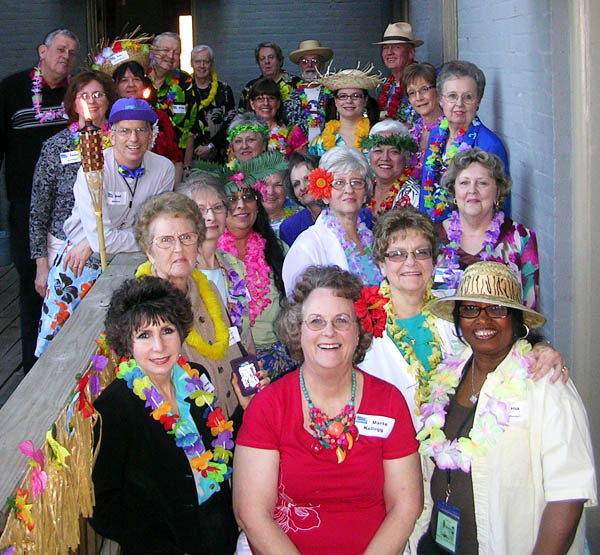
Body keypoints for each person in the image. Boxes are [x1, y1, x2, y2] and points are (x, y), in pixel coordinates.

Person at [233, 265, 423, 554]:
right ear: (297, 330)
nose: (329, 332)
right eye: (316, 321)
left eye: (342, 320)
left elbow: (406, 505)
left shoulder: (388, 402)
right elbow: (251, 513)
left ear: (360, 330)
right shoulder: (268, 407)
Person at [414, 261, 597, 553]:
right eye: (471, 309)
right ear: (459, 319)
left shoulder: (545, 383)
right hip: (438, 542)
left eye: (497, 309)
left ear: (515, 318)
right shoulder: (449, 374)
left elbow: (569, 493)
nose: (482, 320)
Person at [89, 276, 239, 553]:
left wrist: (246, 404)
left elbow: (221, 446)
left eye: (167, 330)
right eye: (144, 335)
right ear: (126, 342)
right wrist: (153, 541)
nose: (159, 346)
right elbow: (102, 503)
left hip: (218, 534)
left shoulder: (197, 378)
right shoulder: (114, 408)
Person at [35, 98, 174, 356]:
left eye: (141, 129)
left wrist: (99, 240)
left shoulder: (163, 169)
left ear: (151, 133)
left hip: (130, 266)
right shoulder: (92, 169)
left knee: (117, 349)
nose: (133, 138)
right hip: (80, 265)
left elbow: (158, 230)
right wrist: (98, 241)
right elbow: (110, 240)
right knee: (60, 349)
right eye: (124, 130)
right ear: (111, 133)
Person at [134, 192, 261, 419]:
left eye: (186, 238)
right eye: (166, 240)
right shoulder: (143, 309)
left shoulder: (208, 289)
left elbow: (236, 342)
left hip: (237, 412)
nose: (178, 249)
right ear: (148, 251)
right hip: (191, 431)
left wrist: (254, 388)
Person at [0, 28, 79, 372]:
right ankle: (33, 366)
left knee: (72, 280)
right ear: (42, 51)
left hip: (70, 208)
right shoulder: (12, 90)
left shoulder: (76, 94)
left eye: (72, 52)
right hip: (25, 206)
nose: (65, 57)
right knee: (34, 280)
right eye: (60, 49)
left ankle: (71, 359)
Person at [29, 70, 117, 299]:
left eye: (98, 94)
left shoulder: (121, 143)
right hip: (63, 244)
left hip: (111, 241)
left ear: (108, 99)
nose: (92, 101)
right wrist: (41, 266)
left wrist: (95, 239)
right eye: (84, 95)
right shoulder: (55, 147)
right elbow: (38, 209)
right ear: (73, 103)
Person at [433, 148, 539, 308]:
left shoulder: (521, 238)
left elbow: (528, 308)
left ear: (497, 191)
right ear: (453, 191)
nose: (472, 190)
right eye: (464, 182)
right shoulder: (431, 238)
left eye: (482, 183)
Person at [216, 167, 292, 378]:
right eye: (232, 198)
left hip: (279, 356)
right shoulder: (210, 256)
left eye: (248, 197)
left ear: (257, 206)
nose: (241, 205)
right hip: (228, 357)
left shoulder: (278, 249)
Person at [283, 146, 381, 293]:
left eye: (356, 182)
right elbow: (298, 307)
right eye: (339, 183)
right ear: (325, 194)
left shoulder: (372, 238)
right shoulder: (307, 246)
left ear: (365, 194)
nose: (349, 190)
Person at [420, 60, 510, 221]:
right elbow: (425, 188)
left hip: (468, 237)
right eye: (452, 96)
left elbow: (500, 206)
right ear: (441, 99)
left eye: (468, 97)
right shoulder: (435, 135)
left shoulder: (489, 145)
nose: (459, 104)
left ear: (478, 101)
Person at [91, 34, 184, 182]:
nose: (131, 85)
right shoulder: (105, 119)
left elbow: (176, 160)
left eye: (136, 79)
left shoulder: (159, 118)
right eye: (124, 80)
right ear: (115, 85)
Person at [177, 173, 253, 338]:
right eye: (200, 209)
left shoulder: (233, 264)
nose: (210, 217)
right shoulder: (179, 269)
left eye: (217, 207)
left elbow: (244, 327)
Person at [309, 65, 382, 156]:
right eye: (343, 96)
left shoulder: (378, 136)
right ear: (336, 101)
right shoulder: (319, 143)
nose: (349, 101)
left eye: (355, 96)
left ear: (365, 100)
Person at [148, 32, 195, 152]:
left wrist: (187, 165)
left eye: (176, 52)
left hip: (176, 157)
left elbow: (192, 128)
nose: (171, 56)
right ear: (153, 51)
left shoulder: (185, 82)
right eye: (166, 50)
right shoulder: (139, 79)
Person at [362, 119, 419, 217]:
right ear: (369, 155)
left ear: (405, 156)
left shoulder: (414, 195)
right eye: (378, 151)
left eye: (394, 152)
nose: (385, 158)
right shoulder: (364, 188)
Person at [190, 45, 235, 164]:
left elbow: (230, 122)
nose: (201, 66)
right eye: (197, 62)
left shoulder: (224, 90)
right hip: (190, 157)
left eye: (206, 62)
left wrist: (211, 146)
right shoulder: (184, 89)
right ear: (191, 63)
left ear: (212, 64)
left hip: (219, 156)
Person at [284, 39, 334, 143]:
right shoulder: (291, 97)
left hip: (329, 149)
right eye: (304, 62)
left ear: (322, 65)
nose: (309, 65)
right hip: (301, 152)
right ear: (300, 66)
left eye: (314, 61)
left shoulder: (333, 95)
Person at [247, 77, 308, 158]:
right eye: (260, 99)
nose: (266, 103)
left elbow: (304, 166)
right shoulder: (242, 134)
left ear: (278, 103)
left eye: (271, 98)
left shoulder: (293, 134)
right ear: (252, 104)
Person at [374, 22, 423, 123]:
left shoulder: (421, 81)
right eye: (385, 48)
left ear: (411, 53)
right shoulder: (389, 83)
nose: (389, 52)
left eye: (396, 47)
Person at [402, 63, 443, 181]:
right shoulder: (413, 132)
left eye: (424, 89)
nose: (419, 98)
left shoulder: (450, 130)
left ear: (438, 90)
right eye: (412, 93)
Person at [238, 42, 301, 111]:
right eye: (262, 59)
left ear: (280, 61)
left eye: (271, 57)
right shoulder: (251, 87)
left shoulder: (297, 84)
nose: (267, 62)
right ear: (258, 63)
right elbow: (241, 116)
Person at [279, 152, 322, 246]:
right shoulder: (290, 227)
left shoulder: (345, 211)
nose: (302, 187)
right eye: (296, 184)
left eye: (307, 179)